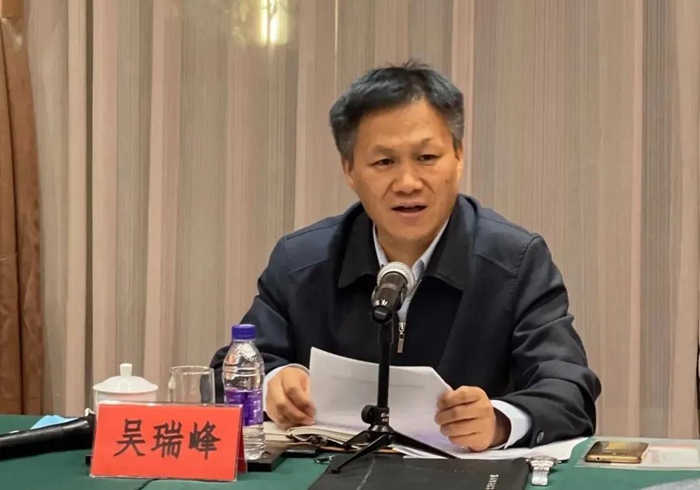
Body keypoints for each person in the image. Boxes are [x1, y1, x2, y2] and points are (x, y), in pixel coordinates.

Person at [210, 60, 601, 452]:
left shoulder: (514, 262)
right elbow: (229, 369)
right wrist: (273, 382)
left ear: (458, 156)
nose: (408, 183)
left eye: (427, 158)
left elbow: (568, 390)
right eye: (384, 162)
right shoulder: (301, 262)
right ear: (349, 170)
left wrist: (500, 422)